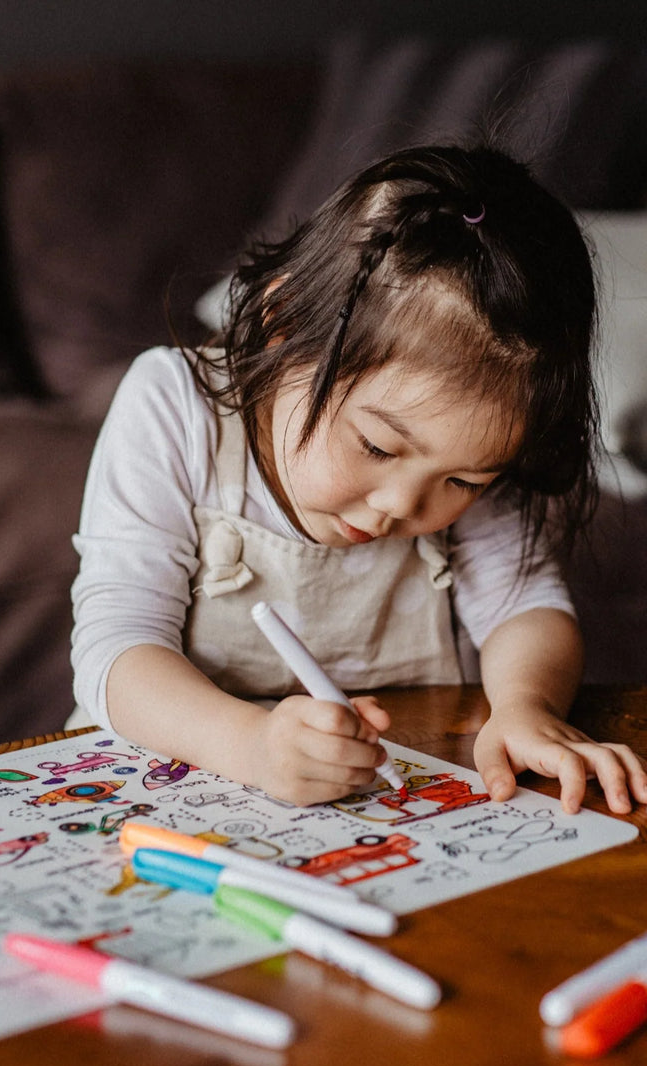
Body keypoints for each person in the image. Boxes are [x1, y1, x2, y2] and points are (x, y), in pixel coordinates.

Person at [70, 144, 647, 815]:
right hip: (179, 790)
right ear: (283, 324)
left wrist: (526, 707)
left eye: (464, 481)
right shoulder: (176, 411)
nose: (404, 505)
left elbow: (526, 608)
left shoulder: (468, 446)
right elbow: (115, 649)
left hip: (392, 807)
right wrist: (254, 747)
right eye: (376, 445)